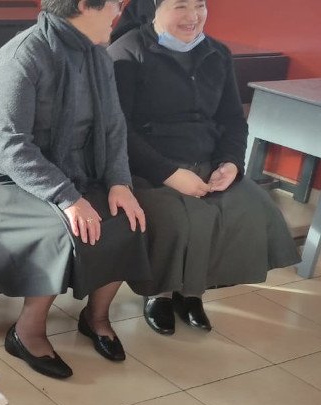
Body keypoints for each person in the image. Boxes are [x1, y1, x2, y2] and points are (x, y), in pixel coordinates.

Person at [0, 0, 150, 379]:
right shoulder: (23, 55)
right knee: (62, 232)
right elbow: (10, 144)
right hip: (4, 181)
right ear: (84, 5)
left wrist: (119, 182)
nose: (119, 11)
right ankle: (26, 331)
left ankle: (96, 317)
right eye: (114, 3)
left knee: (127, 220)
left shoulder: (97, 56)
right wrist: (67, 198)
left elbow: (114, 127)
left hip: (73, 171)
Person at [108, 0, 300, 335]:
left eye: (200, 5)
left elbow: (232, 120)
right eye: (181, 6)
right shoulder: (126, 53)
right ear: (154, 8)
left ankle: (193, 291)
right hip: (148, 167)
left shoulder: (217, 53)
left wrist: (230, 163)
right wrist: (169, 173)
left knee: (251, 208)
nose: (193, 16)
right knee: (178, 220)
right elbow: (119, 130)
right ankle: (160, 293)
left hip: (207, 161)